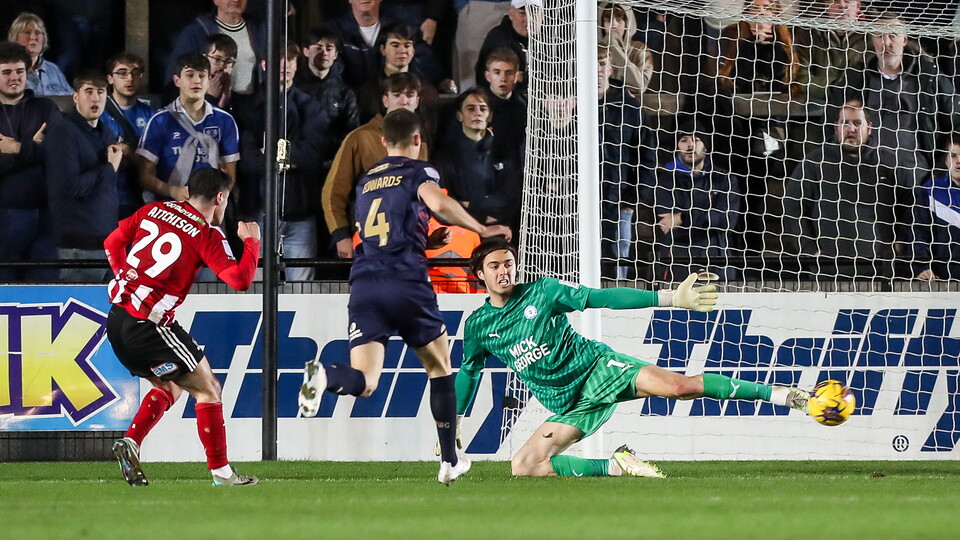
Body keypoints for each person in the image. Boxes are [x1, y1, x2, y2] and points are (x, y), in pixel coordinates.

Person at [456, 237, 812, 478]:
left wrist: (668, 298)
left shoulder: (544, 292)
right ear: (480, 274)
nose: (504, 271)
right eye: (494, 266)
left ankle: (783, 395)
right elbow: (469, 371)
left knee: (680, 388)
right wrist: (454, 419)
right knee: (525, 466)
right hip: (571, 404)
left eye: (509, 263)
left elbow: (602, 298)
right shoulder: (479, 325)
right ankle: (618, 466)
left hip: (598, 370)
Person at [299, 109, 512, 485]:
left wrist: (425, 240)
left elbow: (381, 230)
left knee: (365, 381)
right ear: (418, 140)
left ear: (383, 141)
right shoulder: (419, 171)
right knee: (440, 367)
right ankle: (449, 460)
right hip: (406, 280)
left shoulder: (368, 180)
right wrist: (482, 229)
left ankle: (327, 375)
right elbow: (439, 203)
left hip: (364, 283)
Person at [106, 167, 261, 487]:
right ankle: (222, 473)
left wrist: (127, 279)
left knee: (169, 386)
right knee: (208, 390)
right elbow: (240, 279)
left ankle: (131, 442)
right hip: (150, 327)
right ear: (220, 197)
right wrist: (252, 244)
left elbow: (112, 242)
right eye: (226, 199)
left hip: (117, 319)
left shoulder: (154, 209)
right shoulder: (206, 233)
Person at [827, 10, 960, 186]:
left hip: (916, 177)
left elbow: (955, 126)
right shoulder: (854, 79)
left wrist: (938, 174)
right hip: (865, 175)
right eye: (879, 35)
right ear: (871, 40)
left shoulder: (930, 78)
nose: (886, 43)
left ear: (904, 40)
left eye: (892, 35)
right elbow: (830, 124)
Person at [237, 43, 330, 281]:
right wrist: (292, 157)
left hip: (301, 213)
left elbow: (314, 154)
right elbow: (247, 160)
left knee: (301, 290)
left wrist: (270, 153)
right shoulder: (248, 108)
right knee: (255, 287)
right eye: (279, 60)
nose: (285, 66)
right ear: (264, 65)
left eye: (290, 60)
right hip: (259, 212)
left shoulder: (310, 106)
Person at [782, 100, 903, 279]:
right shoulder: (815, 162)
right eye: (845, 123)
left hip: (880, 274)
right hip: (827, 274)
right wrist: (810, 250)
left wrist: (898, 244)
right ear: (836, 127)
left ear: (869, 128)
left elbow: (907, 208)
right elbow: (793, 208)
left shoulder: (888, 162)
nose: (851, 129)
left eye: (857, 123)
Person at [322, 72, 428, 259]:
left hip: (410, 240)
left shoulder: (421, 143)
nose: (403, 101)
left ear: (417, 101)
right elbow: (333, 191)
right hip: (368, 239)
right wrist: (341, 235)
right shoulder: (360, 137)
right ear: (385, 100)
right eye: (397, 95)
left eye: (410, 96)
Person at [45, 70, 123, 283]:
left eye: (100, 91)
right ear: (76, 96)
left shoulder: (107, 133)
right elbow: (70, 187)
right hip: (78, 244)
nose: (95, 97)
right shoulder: (63, 131)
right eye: (88, 91)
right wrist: (108, 168)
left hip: (107, 241)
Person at [137, 53, 240, 204]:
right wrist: (172, 191)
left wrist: (216, 203)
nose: (196, 81)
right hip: (169, 207)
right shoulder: (159, 121)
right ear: (177, 80)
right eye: (190, 75)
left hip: (208, 209)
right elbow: (144, 176)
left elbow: (229, 174)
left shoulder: (225, 121)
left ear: (209, 80)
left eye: (202, 75)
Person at [0, 41, 61, 283]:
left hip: (48, 216)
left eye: (20, 71)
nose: (14, 77)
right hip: (4, 215)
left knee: (47, 290)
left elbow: (60, 154)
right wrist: (35, 149)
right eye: (6, 72)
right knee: (4, 289)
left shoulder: (46, 107)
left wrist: (14, 148)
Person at [652, 124, 744, 282]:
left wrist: (683, 218)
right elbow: (667, 224)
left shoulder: (724, 179)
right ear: (677, 146)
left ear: (705, 146)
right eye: (683, 140)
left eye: (696, 140)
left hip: (717, 261)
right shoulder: (665, 180)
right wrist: (707, 221)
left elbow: (726, 220)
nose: (690, 145)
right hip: (677, 264)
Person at [598, 47, 655, 280]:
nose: (598, 71)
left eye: (602, 64)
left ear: (610, 68)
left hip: (619, 201)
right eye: (592, 66)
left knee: (617, 259)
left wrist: (632, 200)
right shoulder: (570, 106)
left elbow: (646, 157)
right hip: (578, 204)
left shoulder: (630, 108)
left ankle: (612, 310)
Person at [434, 87, 521, 235]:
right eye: (470, 109)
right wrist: (480, 219)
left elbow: (511, 198)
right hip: (460, 236)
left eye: (482, 108)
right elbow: (442, 203)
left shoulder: (505, 152)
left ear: (490, 116)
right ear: (459, 115)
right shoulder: (444, 156)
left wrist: (469, 204)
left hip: (501, 233)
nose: (477, 113)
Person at [165, 0, 264, 102]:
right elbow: (174, 83)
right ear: (215, 1)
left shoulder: (260, 30)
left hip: (249, 110)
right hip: (208, 107)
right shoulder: (195, 33)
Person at [101, 52, 156, 219]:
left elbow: (155, 162)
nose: (129, 78)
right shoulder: (99, 113)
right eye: (122, 73)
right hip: (107, 198)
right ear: (110, 78)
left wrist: (128, 153)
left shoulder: (152, 116)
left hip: (141, 199)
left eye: (135, 72)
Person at [793, 0, 868, 102]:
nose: (842, 6)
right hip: (817, 106)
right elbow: (802, 77)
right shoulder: (808, 33)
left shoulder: (870, 37)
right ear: (826, 5)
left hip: (861, 105)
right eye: (835, 1)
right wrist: (833, 87)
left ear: (858, 6)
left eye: (847, 1)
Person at [911, 135, 960, 281]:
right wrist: (922, 267)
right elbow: (919, 233)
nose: (959, 161)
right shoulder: (931, 190)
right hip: (940, 280)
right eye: (953, 155)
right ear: (946, 161)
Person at [474, 0, 535, 94]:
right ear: (511, 14)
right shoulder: (498, 37)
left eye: (534, 12)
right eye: (522, 13)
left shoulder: (551, 39)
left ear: (543, 14)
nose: (528, 19)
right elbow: (487, 79)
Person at [481, 47, 526, 171]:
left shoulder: (525, 107)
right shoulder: (477, 106)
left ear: (517, 76)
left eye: (509, 72)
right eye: (497, 72)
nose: (503, 78)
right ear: (488, 76)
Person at [598, 2, 655, 99]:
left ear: (628, 23)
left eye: (619, 20)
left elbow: (639, 85)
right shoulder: (594, 50)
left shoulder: (640, 50)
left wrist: (615, 48)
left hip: (632, 108)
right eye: (608, 20)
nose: (613, 25)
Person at [7, 12, 72, 96]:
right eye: (27, 32)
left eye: (37, 33)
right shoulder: (5, 71)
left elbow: (71, 99)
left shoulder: (54, 70)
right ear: (15, 37)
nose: (33, 37)